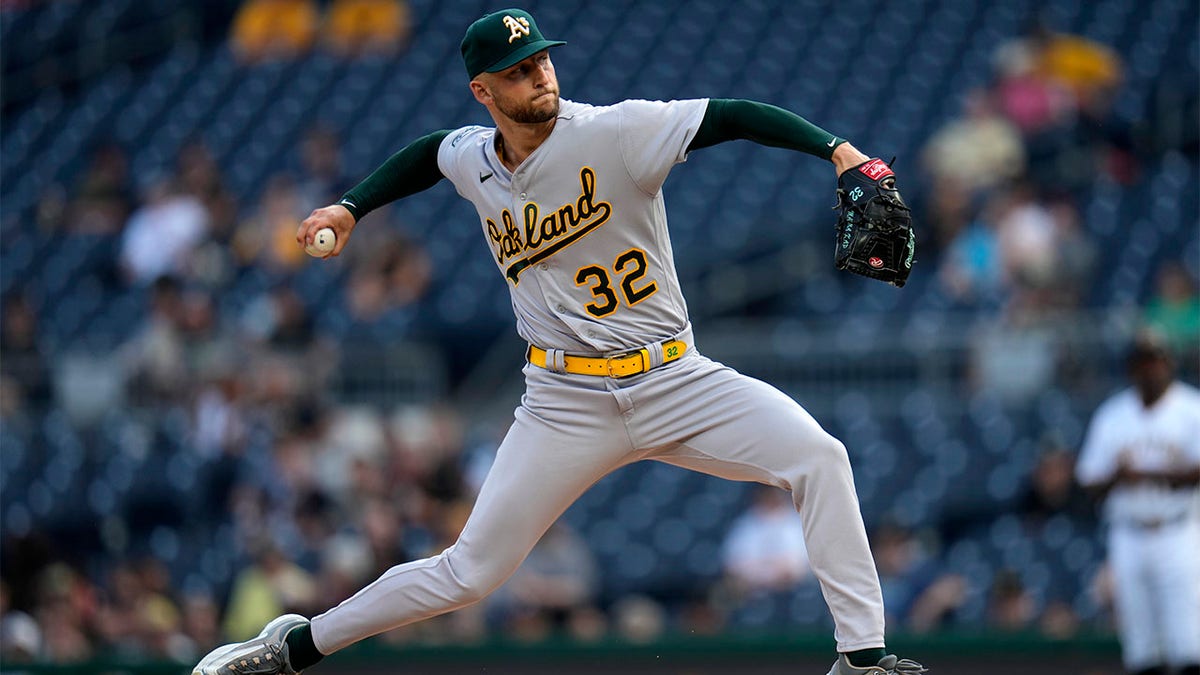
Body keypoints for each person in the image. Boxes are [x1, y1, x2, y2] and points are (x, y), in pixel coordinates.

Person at [193, 9, 926, 675]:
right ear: (484, 91)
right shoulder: (476, 158)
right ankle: (292, 647)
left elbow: (731, 115)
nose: (538, 75)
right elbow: (429, 153)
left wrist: (839, 152)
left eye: (542, 61)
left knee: (819, 457)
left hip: (675, 378)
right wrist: (353, 207)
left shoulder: (614, 132)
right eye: (517, 71)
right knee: (470, 573)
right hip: (563, 401)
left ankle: (861, 659)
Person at [1075, 330, 1200, 675]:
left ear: (1169, 364)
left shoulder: (1191, 409)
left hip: (1179, 531)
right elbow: (1088, 479)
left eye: (1156, 361)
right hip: (1128, 533)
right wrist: (1119, 475)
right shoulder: (1113, 415)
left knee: (1188, 642)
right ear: (1131, 369)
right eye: (1143, 363)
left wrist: (1152, 474)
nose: (1150, 370)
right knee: (1142, 646)